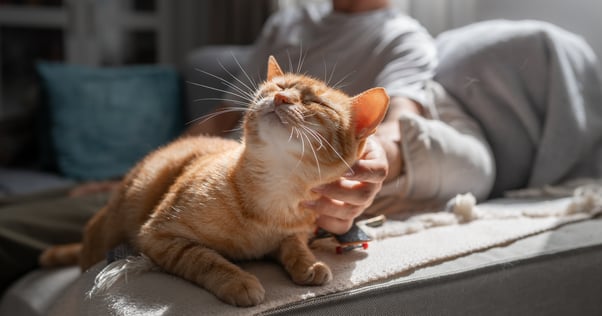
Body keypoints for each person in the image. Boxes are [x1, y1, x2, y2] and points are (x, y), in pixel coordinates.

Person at [1, 0, 601, 295]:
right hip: (192, 173)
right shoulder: (289, 21)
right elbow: (232, 117)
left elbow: (396, 121)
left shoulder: (404, 38)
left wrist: (373, 168)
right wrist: (124, 180)